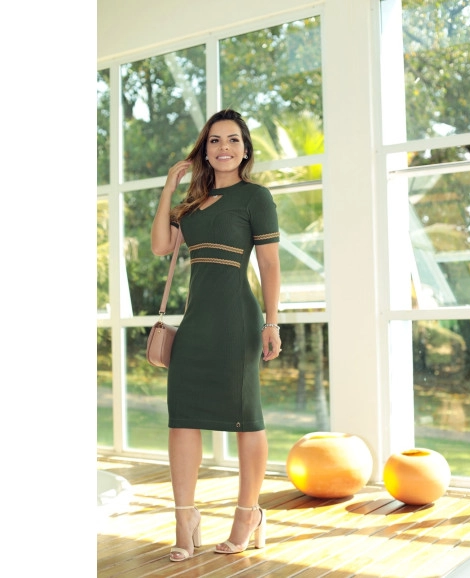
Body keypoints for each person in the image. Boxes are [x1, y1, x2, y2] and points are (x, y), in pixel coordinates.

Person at [151, 109, 281, 562]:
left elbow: (269, 264)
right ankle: (184, 518)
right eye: (214, 141)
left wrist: (271, 322)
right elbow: (161, 246)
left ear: (245, 149)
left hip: (237, 321)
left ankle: (248, 515)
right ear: (204, 151)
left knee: (247, 417)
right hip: (196, 324)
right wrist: (168, 190)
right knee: (182, 417)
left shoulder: (255, 198)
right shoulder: (192, 204)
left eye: (232, 140)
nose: (223, 147)